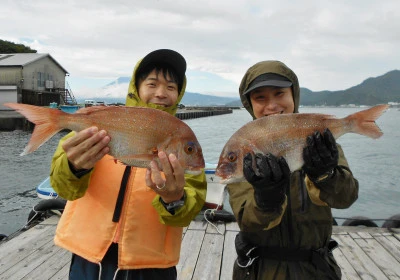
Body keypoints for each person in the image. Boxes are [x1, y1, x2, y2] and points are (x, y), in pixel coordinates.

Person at [50, 49, 207, 280]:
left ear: (179, 93)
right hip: (88, 257)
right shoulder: (94, 129)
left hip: (151, 265)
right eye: (152, 84)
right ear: (137, 87)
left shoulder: (182, 144)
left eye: (171, 87)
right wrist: (75, 166)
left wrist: (175, 200)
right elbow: (63, 188)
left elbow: (187, 212)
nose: (161, 93)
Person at [228, 60, 359, 279]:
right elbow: (247, 222)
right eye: (260, 97)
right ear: (249, 103)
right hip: (259, 271)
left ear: (293, 95)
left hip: (317, 270)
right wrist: (266, 197)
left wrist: (326, 175)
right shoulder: (244, 150)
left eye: (279, 93)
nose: (271, 106)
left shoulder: (323, 144)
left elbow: (346, 198)